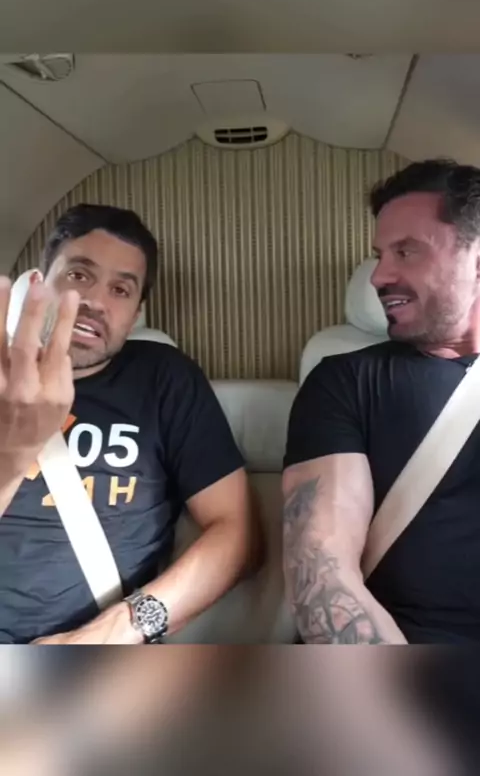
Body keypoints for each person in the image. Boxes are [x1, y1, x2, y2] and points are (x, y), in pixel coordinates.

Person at [0, 203, 260, 644]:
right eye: (78, 275)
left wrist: (115, 631)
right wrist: (12, 454)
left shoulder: (162, 379)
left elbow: (240, 535)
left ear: (136, 313)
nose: (95, 302)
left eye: (121, 290)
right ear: (39, 284)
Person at [283, 158, 480, 644]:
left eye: (406, 252)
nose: (378, 276)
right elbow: (322, 573)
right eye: (380, 254)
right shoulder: (345, 382)